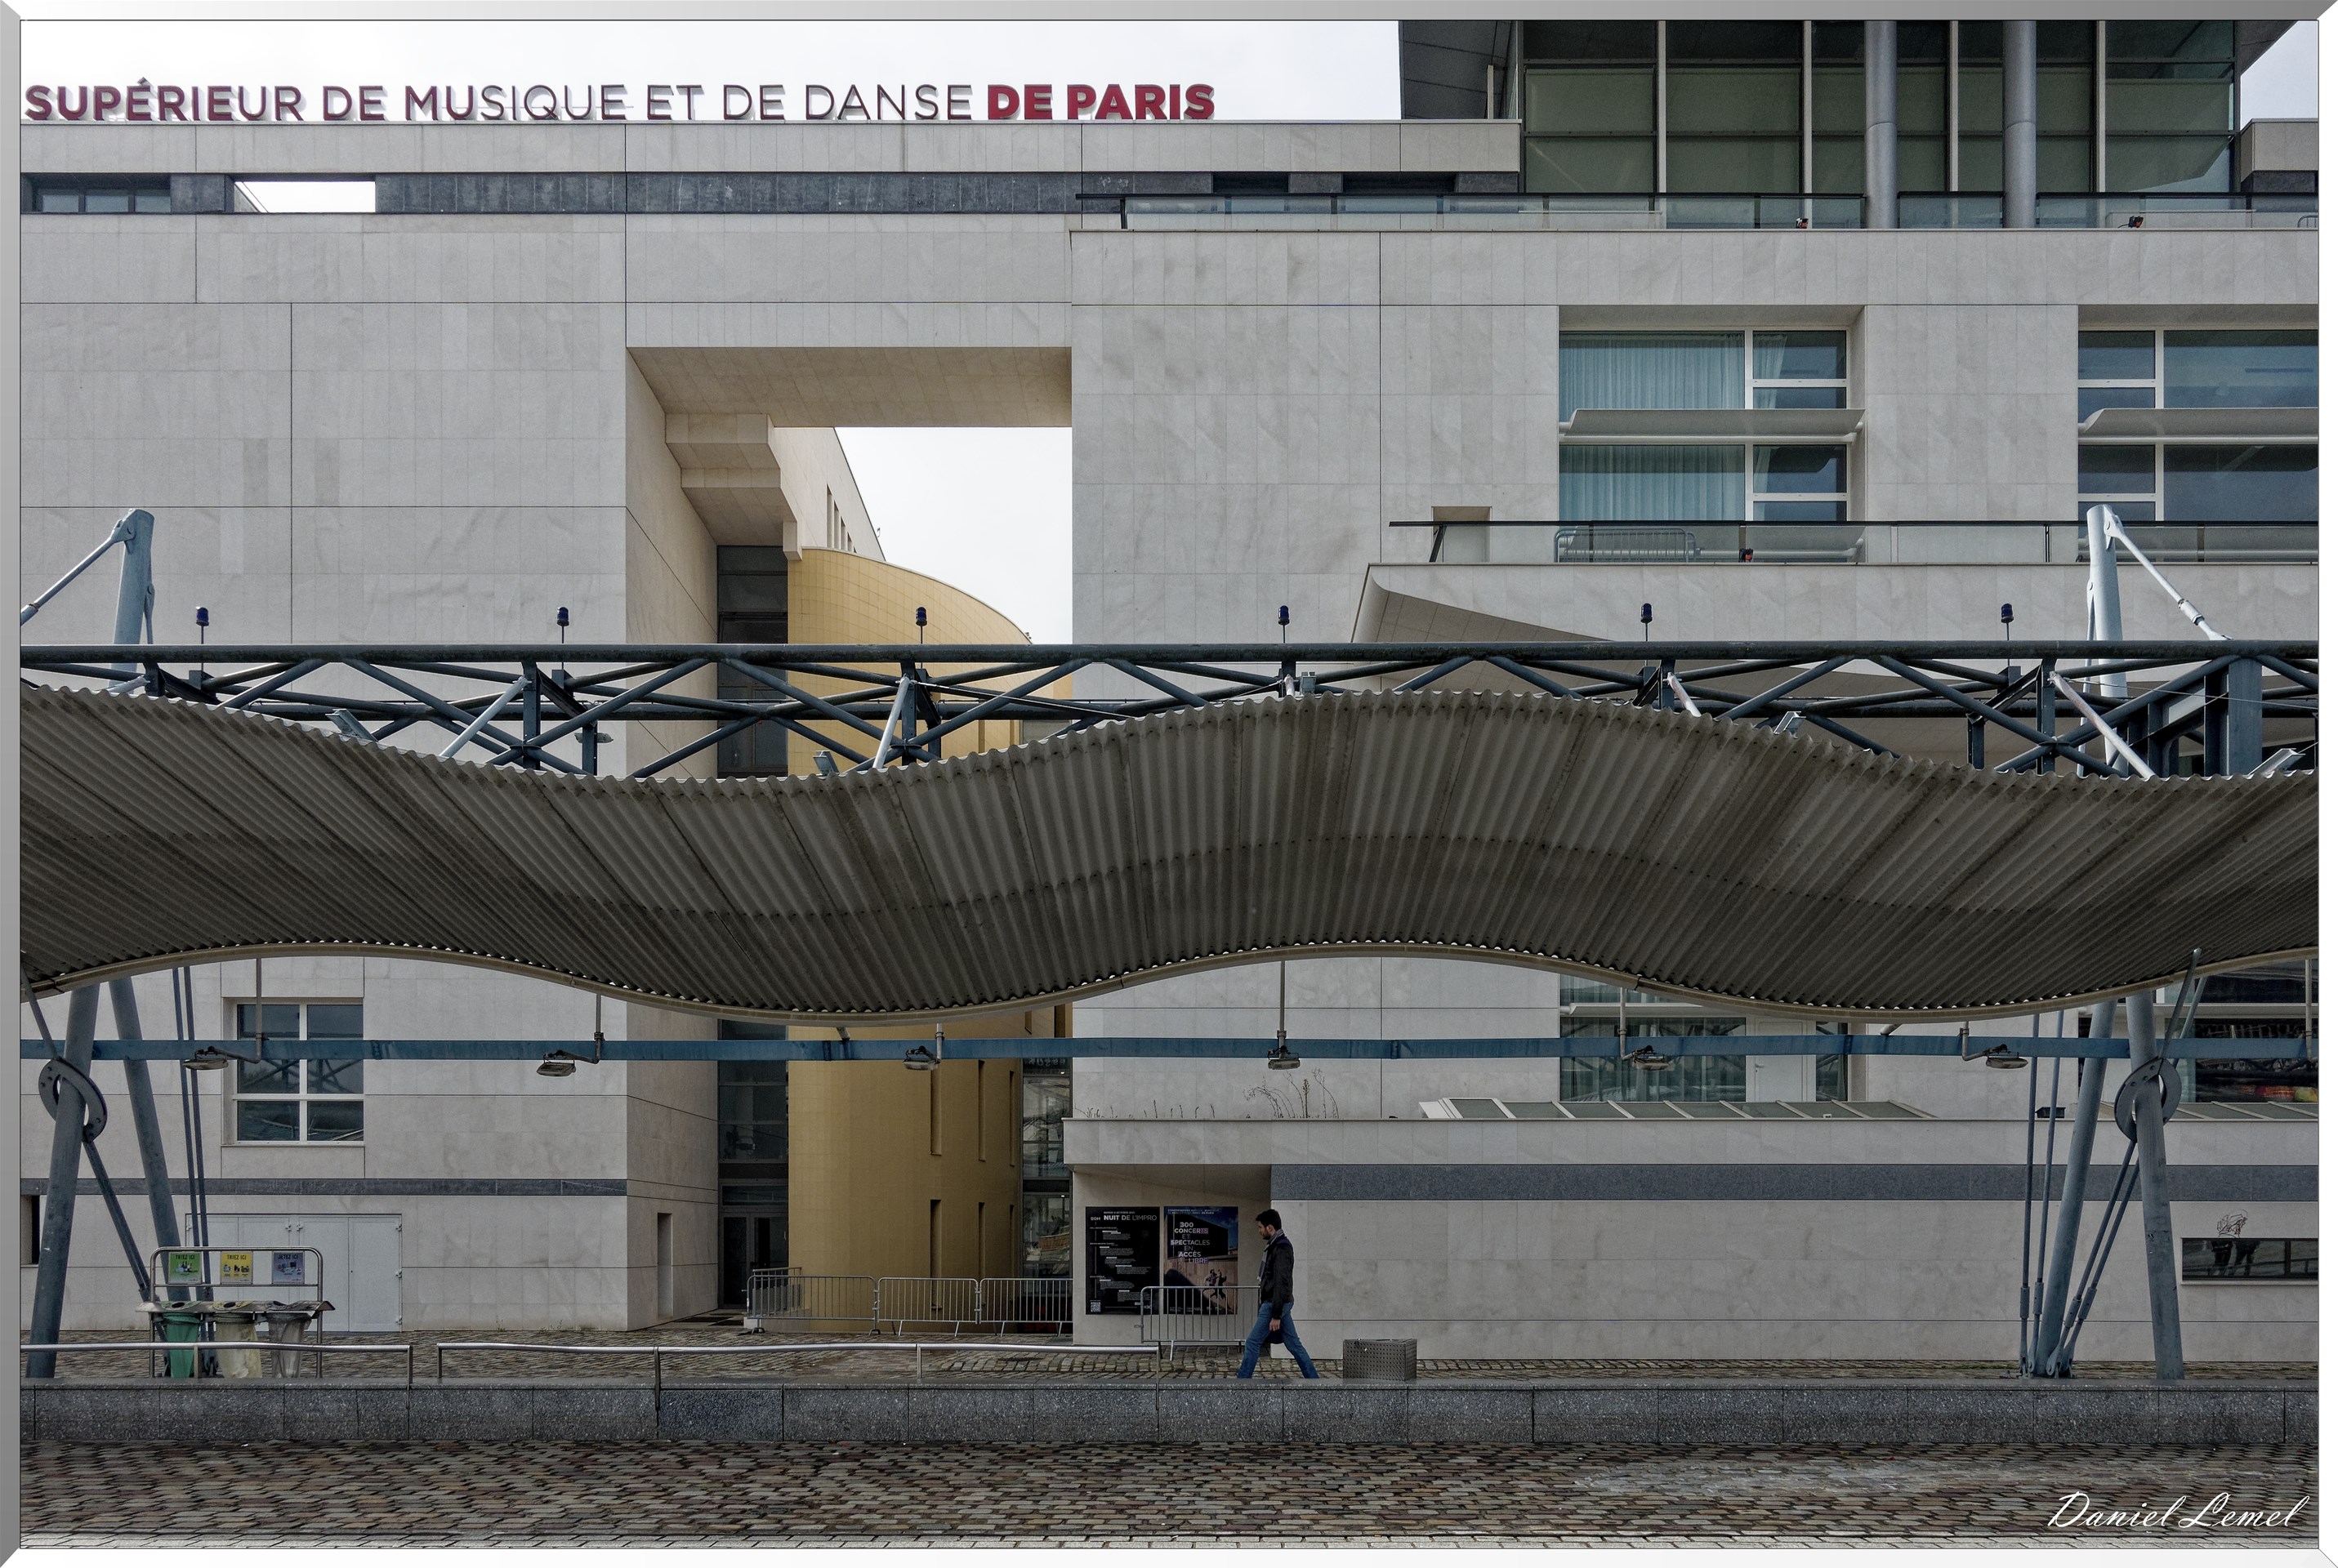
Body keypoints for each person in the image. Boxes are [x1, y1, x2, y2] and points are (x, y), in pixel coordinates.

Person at [1235, 1209, 1320, 1379]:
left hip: (1273, 1303)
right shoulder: (1275, 1246)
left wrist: (1276, 1314)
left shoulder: (1281, 1248)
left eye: (1261, 1227)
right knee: (1294, 1345)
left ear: (1270, 1228)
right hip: (1277, 1302)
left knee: (1252, 1342)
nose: (1259, 1231)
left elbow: (1282, 1282)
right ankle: (1314, 1382)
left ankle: (1241, 1384)